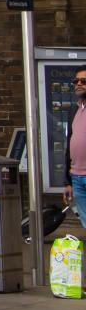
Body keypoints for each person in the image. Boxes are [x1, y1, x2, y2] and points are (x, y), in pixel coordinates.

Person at [68, 71, 86, 230]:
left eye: (84, 81)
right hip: (77, 176)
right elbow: (69, 143)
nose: (79, 84)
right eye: (76, 81)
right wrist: (67, 182)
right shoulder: (75, 109)